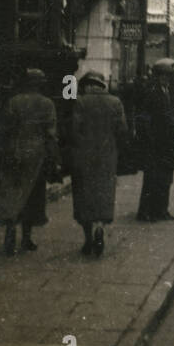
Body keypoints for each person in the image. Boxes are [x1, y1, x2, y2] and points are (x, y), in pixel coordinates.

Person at [0, 68, 60, 256]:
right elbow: (51, 135)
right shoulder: (47, 104)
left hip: (15, 151)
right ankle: (27, 238)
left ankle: (10, 232)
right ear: (40, 84)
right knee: (33, 195)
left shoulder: (14, 102)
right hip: (37, 154)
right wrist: (54, 158)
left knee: (13, 192)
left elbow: (4, 128)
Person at [70, 72, 127, 258]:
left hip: (84, 158)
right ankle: (100, 227)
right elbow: (122, 130)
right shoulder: (115, 102)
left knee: (84, 197)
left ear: (88, 85)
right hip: (107, 157)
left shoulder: (81, 102)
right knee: (103, 194)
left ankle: (87, 239)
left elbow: (74, 130)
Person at [135, 59, 174, 222]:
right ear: (159, 77)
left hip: (167, 142)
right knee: (152, 178)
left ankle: (161, 210)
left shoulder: (166, 91)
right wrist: (149, 139)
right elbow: (144, 117)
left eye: (169, 77)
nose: (168, 80)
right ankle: (146, 211)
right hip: (155, 143)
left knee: (165, 178)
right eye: (165, 76)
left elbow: (168, 113)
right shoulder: (152, 92)